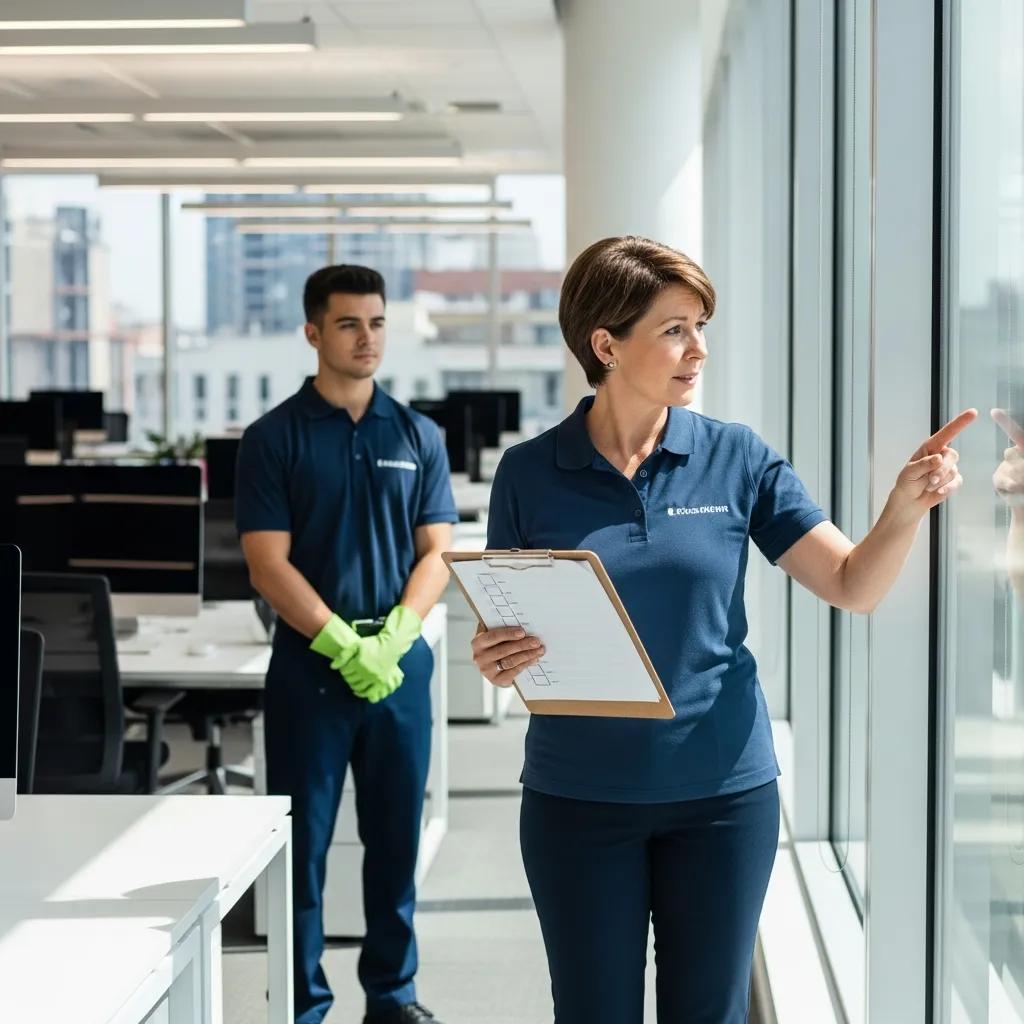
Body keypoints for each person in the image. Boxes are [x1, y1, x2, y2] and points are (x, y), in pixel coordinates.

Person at [472, 235, 974, 1023]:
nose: (698, 349)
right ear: (606, 345)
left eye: (700, 326)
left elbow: (852, 585)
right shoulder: (530, 472)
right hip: (578, 799)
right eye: (674, 329)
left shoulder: (737, 458)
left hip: (722, 798)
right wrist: (495, 656)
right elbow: (509, 629)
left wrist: (904, 510)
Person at [236, 264, 456, 1024]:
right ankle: (303, 1005)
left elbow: (438, 551)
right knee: (303, 848)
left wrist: (395, 638)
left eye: (377, 322)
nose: (367, 338)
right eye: (349, 324)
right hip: (311, 670)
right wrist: (339, 642)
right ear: (313, 332)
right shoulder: (272, 438)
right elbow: (267, 563)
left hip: (398, 669)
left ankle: (392, 997)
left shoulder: (418, 435)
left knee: (396, 842)